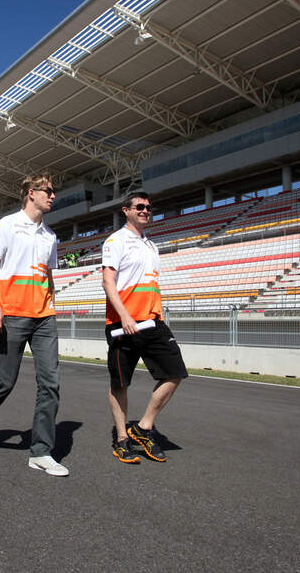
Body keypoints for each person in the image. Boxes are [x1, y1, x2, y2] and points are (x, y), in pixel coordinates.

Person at [0, 174, 68, 477]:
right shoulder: (8, 225)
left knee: (50, 383)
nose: (53, 196)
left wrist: (51, 303)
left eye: (53, 191)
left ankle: (40, 451)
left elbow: (47, 275)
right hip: (12, 314)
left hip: (44, 317)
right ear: (30, 193)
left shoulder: (50, 235)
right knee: (4, 382)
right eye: (48, 191)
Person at [101, 192, 187, 464]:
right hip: (122, 324)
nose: (145, 210)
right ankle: (122, 439)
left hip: (152, 322)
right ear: (126, 210)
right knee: (120, 383)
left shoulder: (151, 245)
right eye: (140, 207)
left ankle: (143, 427)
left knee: (175, 373)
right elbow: (108, 282)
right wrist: (125, 316)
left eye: (149, 207)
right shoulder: (116, 240)